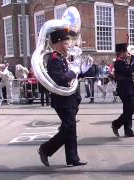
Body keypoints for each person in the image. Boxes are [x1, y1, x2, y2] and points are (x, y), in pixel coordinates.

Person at [38, 29, 87, 167]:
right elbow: (60, 79)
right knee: (69, 128)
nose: (69, 46)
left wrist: (84, 70)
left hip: (70, 99)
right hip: (62, 100)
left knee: (70, 128)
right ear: (58, 43)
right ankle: (45, 149)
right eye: (67, 43)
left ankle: (72, 158)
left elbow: (73, 77)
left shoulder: (62, 58)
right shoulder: (54, 59)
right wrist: (73, 72)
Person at [111, 43, 134, 137]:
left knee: (128, 109)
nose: (127, 53)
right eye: (125, 52)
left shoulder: (124, 61)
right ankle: (116, 124)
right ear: (121, 52)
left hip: (129, 88)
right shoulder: (118, 62)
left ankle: (128, 130)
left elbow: (129, 72)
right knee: (130, 109)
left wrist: (132, 62)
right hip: (124, 89)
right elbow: (127, 71)